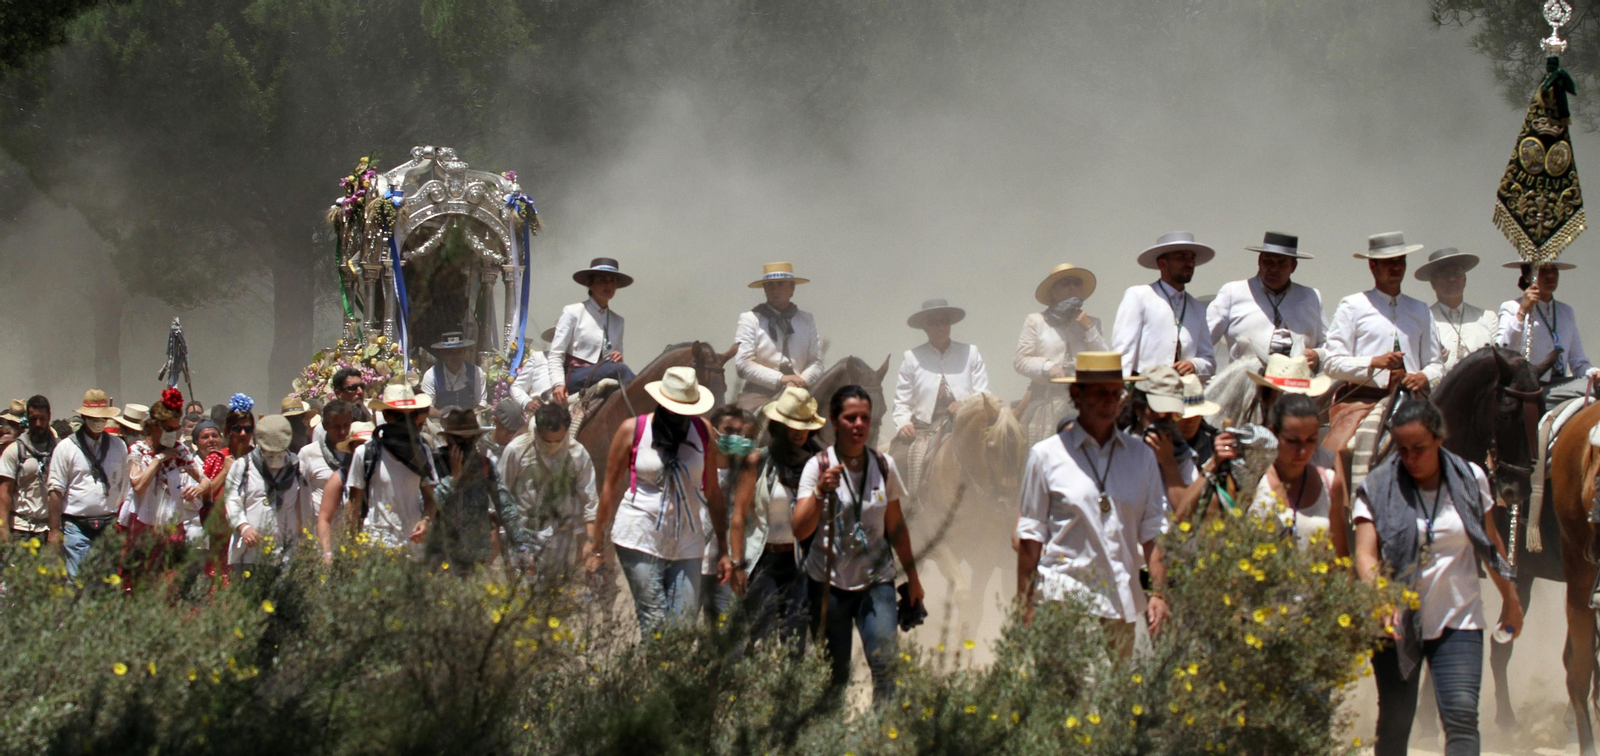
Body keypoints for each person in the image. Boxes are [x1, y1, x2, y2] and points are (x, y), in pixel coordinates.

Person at [1353, 400, 1522, 755]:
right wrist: (1380, 599)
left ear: (1439, 441)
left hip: (1458, 619)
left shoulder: (1470, 477)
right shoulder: (1377, 486)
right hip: (1394, 625)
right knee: (1396, 724)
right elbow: (1366, 555)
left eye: (1420, 449)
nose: (1411, 458)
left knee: (1461, 719)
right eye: (1403, 450)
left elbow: (1490, 541)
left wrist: (1511, 598)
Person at [1016, 352, 1169, 659]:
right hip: (1065, 598)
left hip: (1122, 602)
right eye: (1100, 393)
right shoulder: (1046, 456)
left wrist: (1160, 593)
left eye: (1116, 394)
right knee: (1078, 694)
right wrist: (1024, 604)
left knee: (1121, 698)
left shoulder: (1142, 456)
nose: (1110, 402)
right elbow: (1031, 536)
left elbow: (1153, 533)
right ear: (1077, 394)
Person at [794, 384, 923, 704]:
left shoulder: (884, 465)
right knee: (835, 677)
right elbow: (799, 529)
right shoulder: (818, 467)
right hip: (828, 584)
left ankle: (881, 742)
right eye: (851, 418)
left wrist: (914, 578)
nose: (859, 424)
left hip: (876, 582)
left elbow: (895, 526)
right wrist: (820, 493)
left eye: (865, 418)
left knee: (885, 667)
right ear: (834, 422)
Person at [588, 366, 732, 632]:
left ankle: (661, 672)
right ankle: (652, 670)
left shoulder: (703, 432)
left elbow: (712, 491)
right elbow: (608, 489)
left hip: (687, 541)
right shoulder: (633, 430)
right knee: (654, 622)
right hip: (639, 535)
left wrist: (724, 549)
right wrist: (597, 546)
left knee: (683, 626)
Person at [727, 387, 826, 646]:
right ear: (779, 425)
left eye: (804, 426)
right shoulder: (757, 461)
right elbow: (738, 516)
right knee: (762, 639)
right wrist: (737, 565)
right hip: (763, 561)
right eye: (792, 425)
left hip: (801, 565)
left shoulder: (819, 465)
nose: (798, 432)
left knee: (795, 643)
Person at [890, 298, 990, 496]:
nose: (940, 327)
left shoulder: (970, 352)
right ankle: (907, 512)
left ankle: (1002, 503)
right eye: (933, 322)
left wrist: (966, 405)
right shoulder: (912, 357)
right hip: (925, 425)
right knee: (898, 459)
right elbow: (902, 401)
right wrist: (903, 424)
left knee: (999, 450)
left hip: (966, 422)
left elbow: (983, 393)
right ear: (925, 328)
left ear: (950, 325)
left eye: (944, 321)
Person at [1238, 393, 1349, 554]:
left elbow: (1340, 558)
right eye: (1292, 441)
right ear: (1273, 434)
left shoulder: (1330, 484)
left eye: (1311, 440)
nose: (1302, 451)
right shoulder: (1252, 481)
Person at [498, 402, 597, 577]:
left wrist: (589, 541)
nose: (552, 446)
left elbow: (590, 500)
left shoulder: (577, 454)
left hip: (562, 540)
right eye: (546, 441)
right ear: (537, 431)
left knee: (556, 597)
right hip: (523, 534)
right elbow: (502, 496)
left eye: (558, 441)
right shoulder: (517, 450)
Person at [1015, 263, 1110, 444]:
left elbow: (1103, 361)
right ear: (1053, 291)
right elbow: (1020, 360)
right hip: (1046, 396)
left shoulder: (1092, 323)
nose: (1072, 287)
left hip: (1084, 400)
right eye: (1065, 283)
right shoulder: (1036, 321)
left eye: (1076, 283)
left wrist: (1088, 328)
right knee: (1029, 441)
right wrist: (1047, 367)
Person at [345, 383, 439, 558]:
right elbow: (354, 503)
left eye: (409, 415)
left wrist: (426, 521)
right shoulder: (366, 453)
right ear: (386, 415)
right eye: (399, 416)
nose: (405, 422)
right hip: (376, 547)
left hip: (412, 548)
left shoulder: (422, 453)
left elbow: (431, 498)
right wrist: (349, 548)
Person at [1205, 231, 1326, 368]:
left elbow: (1327, 344)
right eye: (1268, 262)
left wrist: (1317, 355)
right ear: (1259, 261)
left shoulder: (1310, 296)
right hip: (1247, 380)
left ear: (1293, 266)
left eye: (1282, 263)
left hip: (1298, 378)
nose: (1274, 269)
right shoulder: (1233, 292)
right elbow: (1204, 339)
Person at [46, 390, 130, 576]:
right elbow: (55, 491)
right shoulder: (66, 448)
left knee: (107, 582)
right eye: (93, 417)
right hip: (76, 525)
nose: (98, 421)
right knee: (78, 581)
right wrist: (54, 530)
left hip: (108, 524)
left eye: (102, 418)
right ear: (84, 417)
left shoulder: (119, 447)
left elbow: (125, 488)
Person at [1113, 231, 1217, 379]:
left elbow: (1209, 360)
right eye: (1181, 257)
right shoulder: (1139, 296)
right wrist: (1120, 392)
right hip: (1143, 391)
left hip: (1183, 394)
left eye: (1192, 258)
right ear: (1162, 263)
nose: (1189, 263)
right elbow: (1124, 351)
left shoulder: (1197, 308)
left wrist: (1194, 365)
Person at [123, 389, 206, 571]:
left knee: (171, 580)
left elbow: (204, 479)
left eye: (176, 429)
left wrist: (198, 489)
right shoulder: (138, 451)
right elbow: (138, 486)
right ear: (155, 427)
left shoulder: (179, 450)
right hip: (144, 527)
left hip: (172, 527)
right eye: (169, 429)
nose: (173, 433)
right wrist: (159, 458)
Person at [1496, 259, 1597, 406]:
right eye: (1543, 271)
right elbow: (1504, 351)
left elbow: (1578, 362)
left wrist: (1594, 374)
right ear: (1528, 276)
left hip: (1563, 384)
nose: (1550, 276)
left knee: (1593, 387)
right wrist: (1522, 311)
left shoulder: (1565, 311)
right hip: (1531, 387)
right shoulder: (1511, 307)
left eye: (1553, 270)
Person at [429, 406, 516, 569]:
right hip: (442, 552)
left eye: (470, 442)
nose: (466, 447)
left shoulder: (483, 465)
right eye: (460, 442)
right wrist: (452, 479)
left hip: (474, 554)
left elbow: (505, 504)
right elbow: (427, 506)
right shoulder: (436, 464)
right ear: (449, 440)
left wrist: (522, 544)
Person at [734, 262, 825, 412]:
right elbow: (743, 364)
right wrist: (780, 379)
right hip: (760, 393)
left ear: (792, 288)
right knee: (745, 425)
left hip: (800, 391)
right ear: (764, 289)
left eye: (780, 284)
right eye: (769, 285)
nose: (775, 290)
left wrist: (801, 381)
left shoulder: (806, 320)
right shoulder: (750, 319)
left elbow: (815, 361)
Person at [226, 415, 308, 576]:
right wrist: (244, 527)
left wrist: (304, 538)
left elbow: (303, 505)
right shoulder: (243, 467)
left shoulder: (297, 468)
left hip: (285, 555)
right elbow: (231, 501)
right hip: (248, 555)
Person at [549, 258, 634, 405]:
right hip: (576, 376)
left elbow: (618, 361)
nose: (608, 285)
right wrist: (558, 384)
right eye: (602, 280)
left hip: (606, 374)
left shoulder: (618, 321)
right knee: (623, 371)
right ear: (591, 284)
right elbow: (556, 353)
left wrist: (618, 357)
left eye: (612, 281)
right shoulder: (573, 312)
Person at [1411, 248, 1498, 376]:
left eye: (1457, 273)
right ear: (1433, 283)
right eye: (1445, 274)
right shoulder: (1422, 321)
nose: (1452, 278)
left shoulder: (1487, 318)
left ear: (1464, 279)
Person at [702, 406, 751, 620]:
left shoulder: (745, 472)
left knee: (728, 637)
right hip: (693, 561)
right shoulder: (696, 466)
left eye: (740, 433)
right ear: (714, 431)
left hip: (727, 566)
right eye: (728, 430)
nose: (735, 437)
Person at [316, 421, 374, 562]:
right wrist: (327, 553)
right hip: (347, 550)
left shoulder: (384, 476)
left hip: (377, 548)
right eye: (358, 445)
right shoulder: (340, 478)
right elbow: (324, 518)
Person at [0, 396, 53, 542]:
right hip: (20, 528)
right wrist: (3, 528)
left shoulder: (59, 450)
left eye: (42, 419)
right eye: (34, 418)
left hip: (49, 529)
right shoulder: (15, 450)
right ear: (27, 419)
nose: (38, 423)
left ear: (49, 417)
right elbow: (5, 493)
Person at [299, 400, 354, 523]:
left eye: (346, 425)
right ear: (325, 426)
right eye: (336, 427)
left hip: (350, 531)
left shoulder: (356, 453)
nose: (342, 432)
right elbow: (302, 496)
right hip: (320, 528)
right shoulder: (308, 454)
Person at [420, 332, 487, 410]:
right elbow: (427, 406)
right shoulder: (431, 375)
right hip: (439, 420)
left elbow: (482, 402)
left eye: (458, 352)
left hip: (468, 420)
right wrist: (446, 418)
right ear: (442, 353)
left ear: (464, 352)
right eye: (450, 352)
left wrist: (469, 416)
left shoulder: (476, 372)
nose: (455, 356)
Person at [509, 328, 556, 415]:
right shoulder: (539, 358)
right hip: (542, 414)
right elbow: (517, 387)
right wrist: (526, 402)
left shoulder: (580, 363)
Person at [484, 398, 525, 468]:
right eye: (508, 429)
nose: (512, 434)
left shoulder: (522, 451)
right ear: (495, 421)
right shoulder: (481, 449)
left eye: (515, 430)